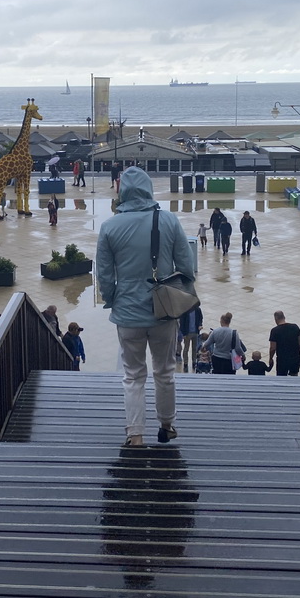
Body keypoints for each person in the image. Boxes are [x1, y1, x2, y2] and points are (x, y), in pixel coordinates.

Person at [97, 166, 194, 447]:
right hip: (163, 313)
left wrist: (115, 300)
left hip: (127, 315)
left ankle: (135, 434)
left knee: (133, 375)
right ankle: (167, 424)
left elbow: (104, 275)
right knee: (165, 371)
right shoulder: (169, 220)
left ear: (121, 191)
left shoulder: (109, 227)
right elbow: (186, 268)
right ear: (149, 189)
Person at [268, 310, 300, 376]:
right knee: (294, 376)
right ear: (284, 317)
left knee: (281, 378)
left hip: (282, 360)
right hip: (295, 358)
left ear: (276, 319)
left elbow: (273, 348)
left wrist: (271, 358)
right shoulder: (295, 327)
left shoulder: (274, 331)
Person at [177, 306, 203, 372]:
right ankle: (185, 364)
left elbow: (200, 318)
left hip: (195, 332)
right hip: (187, 333)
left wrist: (200, 325)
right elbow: (182, 323)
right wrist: (184, 334)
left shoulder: (197, 309)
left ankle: (194, 362)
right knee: (186, 349)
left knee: (194, 348)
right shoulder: (185, 310)